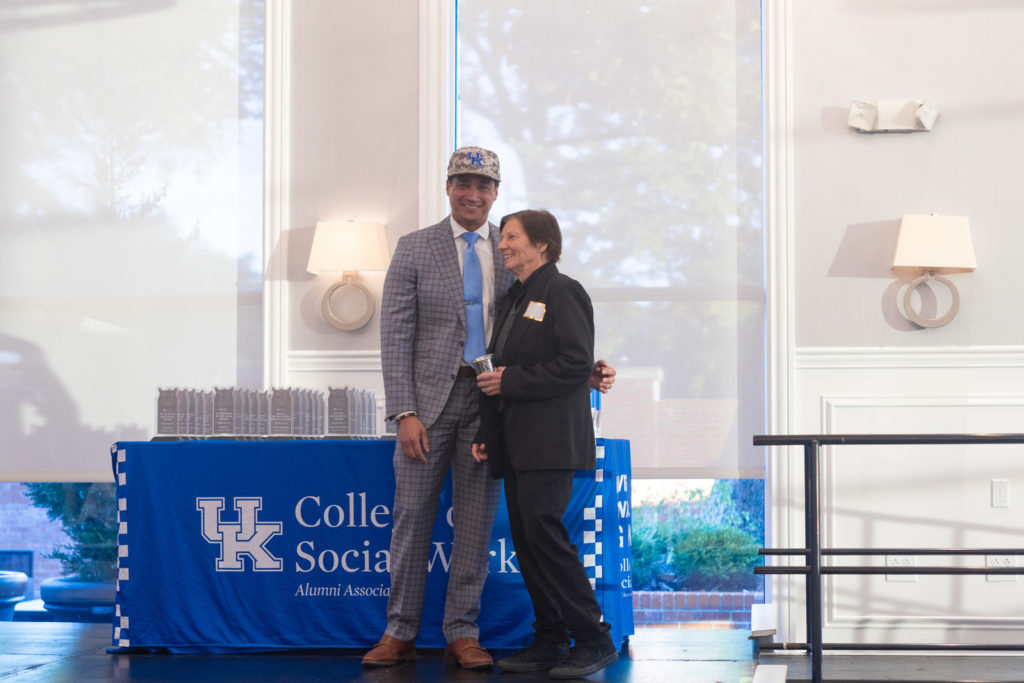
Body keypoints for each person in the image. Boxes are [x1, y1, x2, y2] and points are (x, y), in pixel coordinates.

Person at [365, 147, 616, 670]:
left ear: (496, 193)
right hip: (427, 407)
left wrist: (584, 370)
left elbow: (542, 332)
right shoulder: (415, 247)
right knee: (412, 519)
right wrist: (404, 411)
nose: (473, 194)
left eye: (483, 186)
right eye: (463, 184)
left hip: (494, 407)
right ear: (448, 187)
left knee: (477, 525)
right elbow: (395, 335)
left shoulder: (511, 249)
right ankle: (399, 632)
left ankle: (463, 632)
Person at [472, 209, 619, 679]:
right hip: (516, 442)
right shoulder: (516, 298)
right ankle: (551, 638)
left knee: (547, 540)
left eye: (512, 237)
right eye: (503, 237)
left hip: (551, 442)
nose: (502, 244)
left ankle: (594, 638)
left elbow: (575, 364)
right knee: (530, 543)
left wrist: (511, 380)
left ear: (542, 244)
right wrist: (487, 432)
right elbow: (498, 370)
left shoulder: (562, 290)